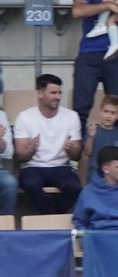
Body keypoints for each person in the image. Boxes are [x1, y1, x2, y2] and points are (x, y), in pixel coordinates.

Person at [13, 73, 83, 214]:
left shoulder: (71, 116)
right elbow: (20, 156)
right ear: (40, 94)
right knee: (31, 184)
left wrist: (71, 149)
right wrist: (31, 148)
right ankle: (53, 217)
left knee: (74, 187)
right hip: (33, 167)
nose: (58, 97)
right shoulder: (25, 117)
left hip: (62, 166)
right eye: (53, 93)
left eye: (59, 93)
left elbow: (76, 156)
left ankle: (49, 217)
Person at [71, 145, 118, 230]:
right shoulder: (88, 191)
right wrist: (89, 236)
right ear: (106, 169)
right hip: (99, 236)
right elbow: (79, 221)